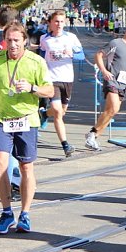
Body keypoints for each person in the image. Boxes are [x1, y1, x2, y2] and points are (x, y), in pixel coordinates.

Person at [0, 23, 53, 234]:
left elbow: (49, 91)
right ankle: (6, 213)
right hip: (1, 118)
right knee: (0, 166)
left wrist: (32, 88)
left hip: (26, 120)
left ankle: (25, 213)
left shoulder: (36, 61)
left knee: (26, 167)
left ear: (24, 41)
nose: (12, 44)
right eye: (9, 40)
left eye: (16, 40)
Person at [84, 24, 126, 151]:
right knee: (113, 108)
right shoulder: (115, 43)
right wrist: (104, 71)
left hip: (123, 82)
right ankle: (92, 134)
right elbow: (98, 55)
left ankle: (93, 136)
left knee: (111, 111)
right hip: (111, 81)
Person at [39, 10, 83, 157]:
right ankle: (65, 146)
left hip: (67, 79)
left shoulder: (71, 37)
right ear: (50, 23)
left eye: (62, 22)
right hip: (52, 79)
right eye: (56, 21)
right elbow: (41, 55)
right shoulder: (44, 39)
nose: (59, 24)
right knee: (58, 112)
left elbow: (81, 55)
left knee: (62, 111)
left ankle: (44, 114)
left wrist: (73, 54)